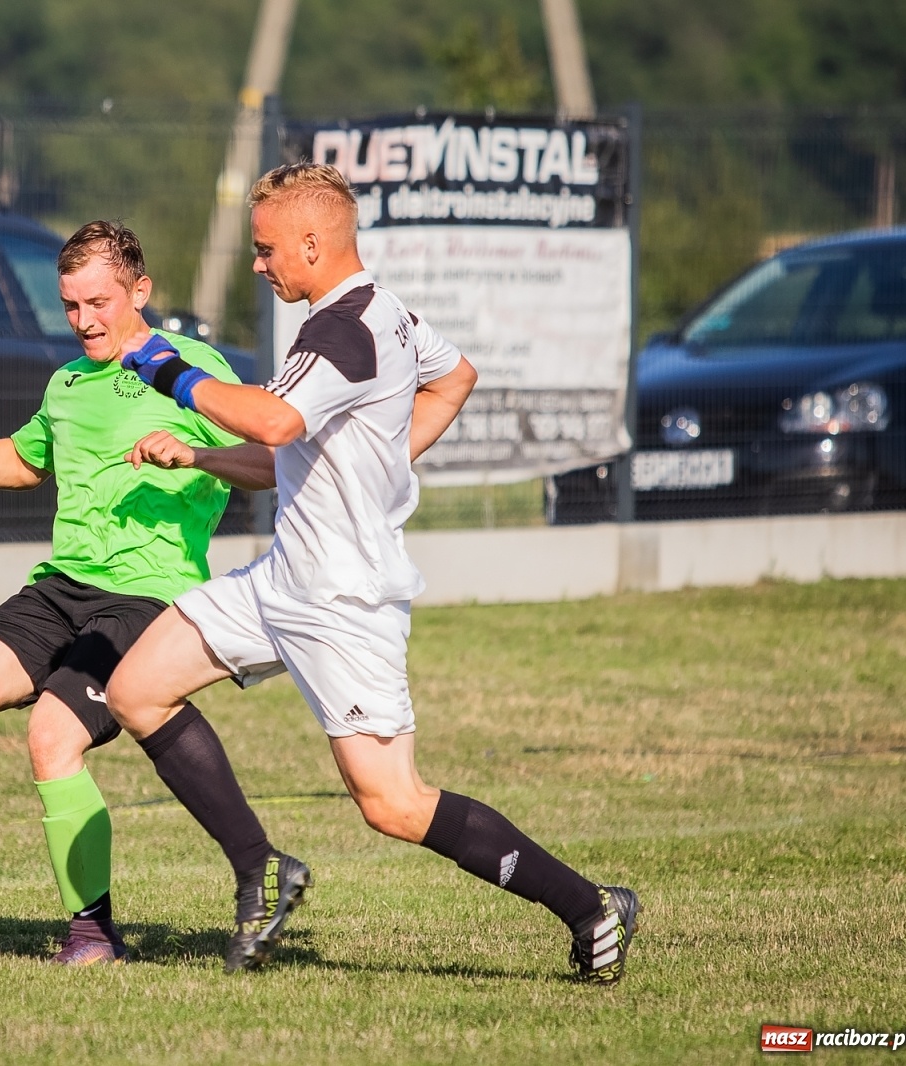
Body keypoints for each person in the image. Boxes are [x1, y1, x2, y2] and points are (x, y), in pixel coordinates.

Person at [107, 162, 641, 982]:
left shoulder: (342, 330)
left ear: (313, 243)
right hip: (285, 576)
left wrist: (165, 368)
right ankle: (262, 872)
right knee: (138, 688)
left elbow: (280, 422)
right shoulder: (384, 313)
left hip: (346, 599)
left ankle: (591, 907)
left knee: (392, 804)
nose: (258, 264)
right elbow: (452, 377)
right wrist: (207, 456)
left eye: (266, 249)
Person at [0, 221, 299, 965]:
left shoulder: (191, 367)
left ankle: (92, 930)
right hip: (60, 590)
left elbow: (276, 456)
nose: (84, 320)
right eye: (71, 304)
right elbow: (22, 462)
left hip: (146, 599)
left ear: (139, 291)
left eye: (99, 301)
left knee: (51, 735)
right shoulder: (67, 383)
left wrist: (195, 452)